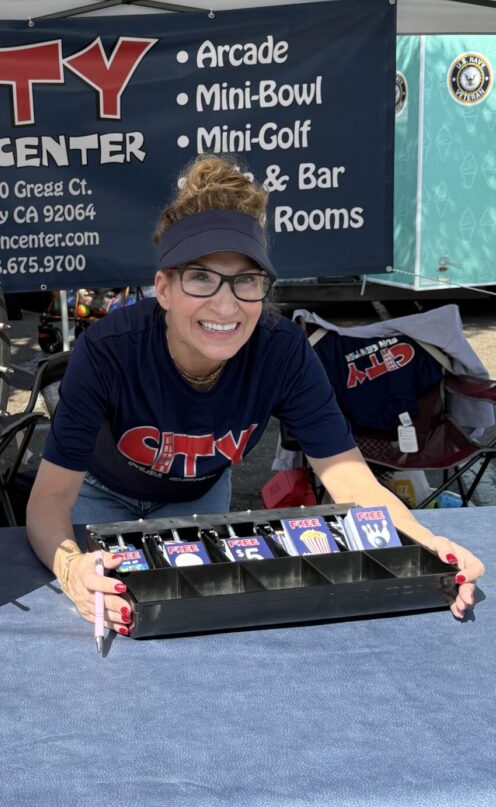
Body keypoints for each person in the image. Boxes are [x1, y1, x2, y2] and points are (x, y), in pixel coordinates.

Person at [25, 154, 484, 635]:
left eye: (246, 280)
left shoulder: (282, 351)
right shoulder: (107, 351)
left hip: (198, 500)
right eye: (201, 278)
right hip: (100, 495)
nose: (225, 305)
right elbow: (49, 500)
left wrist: (428, 544)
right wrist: (71, 571)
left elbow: (351, 481)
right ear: (164, 288)